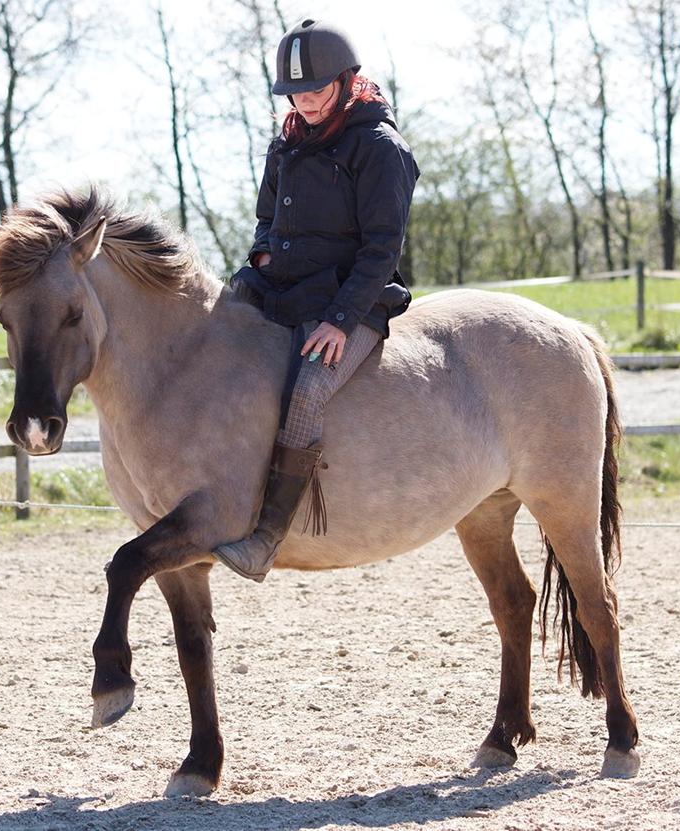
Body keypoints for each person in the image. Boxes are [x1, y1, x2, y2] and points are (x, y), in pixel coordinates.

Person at [215, 18, 419, 582]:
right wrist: (258, 258)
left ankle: (266, 537)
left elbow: (382, 249)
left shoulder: (380, 148)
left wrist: (339, 321)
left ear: (346, 82)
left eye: (314, 90)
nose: (303, 101)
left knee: (308, 390)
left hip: (354, 302)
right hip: (282, 289)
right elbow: (265, 220)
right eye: (294, 92)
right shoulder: (287, 141)